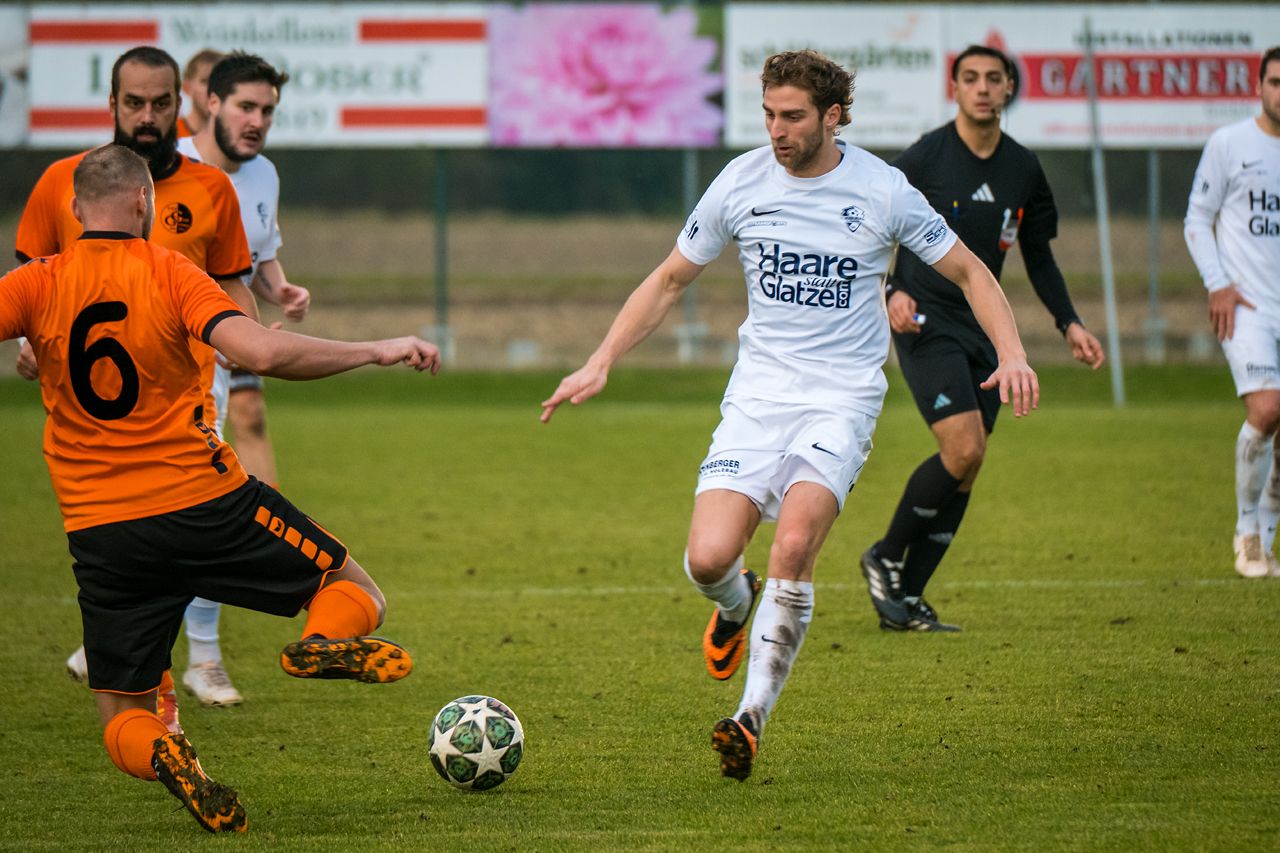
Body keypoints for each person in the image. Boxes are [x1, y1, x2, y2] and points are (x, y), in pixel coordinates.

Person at [541, 49, 1039, 781]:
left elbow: (970, 270)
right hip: (758, 397)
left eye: (793, 116)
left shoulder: (882, 189)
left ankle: (750, 717)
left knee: (795, 544)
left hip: (842, 397)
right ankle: (734, 604)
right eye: (769, 114)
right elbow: (670, 279)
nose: (777, 129)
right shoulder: (740, 182)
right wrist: (601, 358)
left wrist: (1014, 352)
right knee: (708, 559)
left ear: (833, 116)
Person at [0, 145, 436, 832]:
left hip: (102, 531)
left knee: (122, 715)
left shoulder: (35, 284)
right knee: (353, 590)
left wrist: (34, 350)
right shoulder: (174, 271)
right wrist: (375, 349)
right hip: (203, 503)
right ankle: (320, 639)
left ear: (75, 210)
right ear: (144, 201)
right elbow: (261, 352)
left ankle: (166, 752)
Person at [15, 45, 255, 723]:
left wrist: (251, 348)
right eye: (134, 103)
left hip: (187, 403)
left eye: (160, 103)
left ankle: (182, 666)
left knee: (178, 538)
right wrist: (30, 347)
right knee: (151, 545)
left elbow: (234, 288)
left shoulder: (212, 188)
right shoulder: (65, 183)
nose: (147, 116)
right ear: (112, 105)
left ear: (182, 104)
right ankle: (154, 664)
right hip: (91, 418)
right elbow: (32, 288)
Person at [859, 45, 1105, 632]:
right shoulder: (925, 156)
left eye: (994, 78)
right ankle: (885, 556)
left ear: (1009, 88)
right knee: (964, 448)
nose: (983, 88)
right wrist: (892, 289)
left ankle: (907, 599)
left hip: (982, 327)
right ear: (955, 88)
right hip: (925, 321)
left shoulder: (1023, 168)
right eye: (970, 78)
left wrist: (1068, 321)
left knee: (968, 465)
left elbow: (1038, 255)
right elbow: (872, 225)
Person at [177, 52, 311, 705]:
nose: (257, 121)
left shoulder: (263, 174)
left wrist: (278, 290)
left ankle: (183, 652)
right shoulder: (162, 168)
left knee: (198, 512)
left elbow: (252, 259)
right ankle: (190, 654)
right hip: (158, 374)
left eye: (267, 111)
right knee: (190, 513)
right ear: (211, 102)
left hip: (218, 372)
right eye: (245, 107)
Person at [1185, 45, 1280, 578]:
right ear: (1260, 86)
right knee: (1267, 410)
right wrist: (1217, 284)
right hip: (1247, 306)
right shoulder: (1230, 143)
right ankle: (1247, 533)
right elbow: (1197, 219)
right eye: (1276, 82)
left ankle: (1266, 541)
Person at [177, 48, 222, 138]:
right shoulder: (170, 136)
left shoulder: (235, 138)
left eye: (221, 81)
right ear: (187, 87)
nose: (214, 89)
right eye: (205, 81)